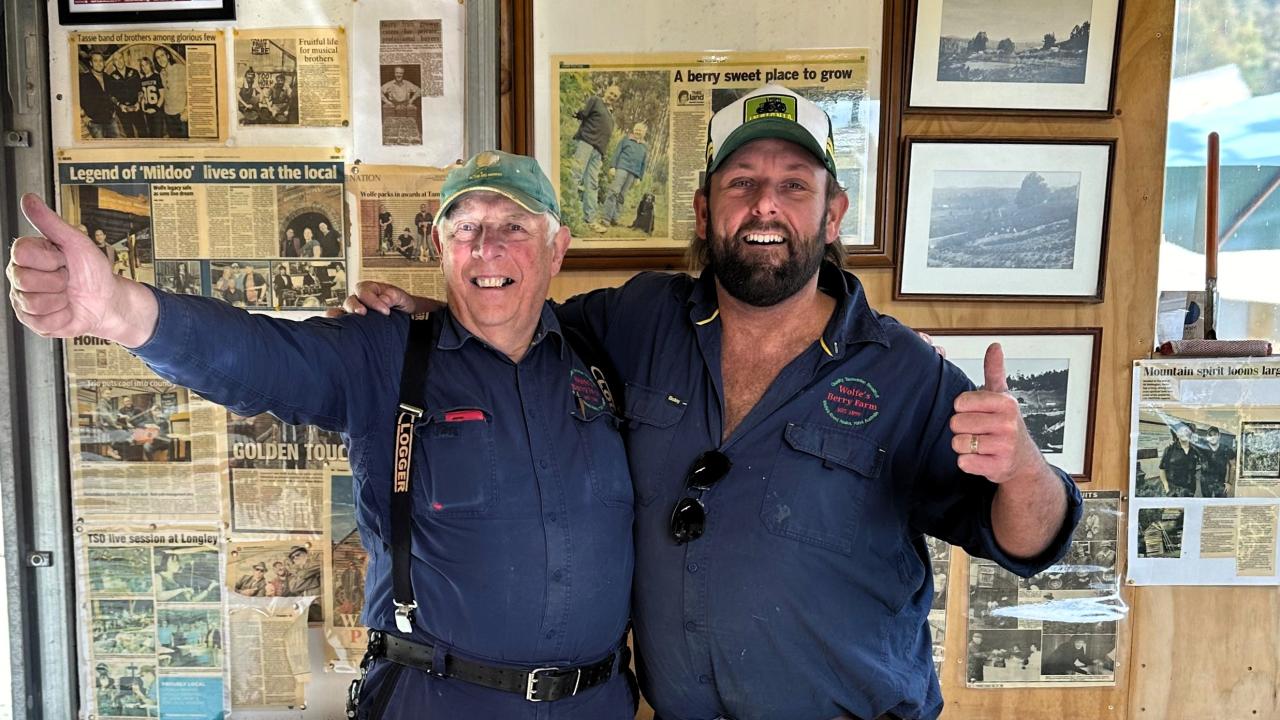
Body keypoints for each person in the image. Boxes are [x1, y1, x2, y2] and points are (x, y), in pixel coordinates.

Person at [345, 84, 1082, 720]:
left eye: (795, 184)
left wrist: (1020, 467)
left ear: (832, 216)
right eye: (740, 182)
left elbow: (1030, 543)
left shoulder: (907, 372)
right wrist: (424, 312)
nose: (765, 204)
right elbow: (515, 331)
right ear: (705, 210)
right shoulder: (638, 319)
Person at [7, 150, 637, 718]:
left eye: (514, 227)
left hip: (600, 703)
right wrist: (122, 310)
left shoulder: (605, 356)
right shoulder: (386, 354)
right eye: (465, 227)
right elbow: (263, 358)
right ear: (442, 248)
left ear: (558, 249)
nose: (487, 247)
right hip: (438, 701)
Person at [568, 84, 621, 232]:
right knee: (575, 176)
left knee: (592, 184)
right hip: (586, 143)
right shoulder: (596, 100)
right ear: (606, 91)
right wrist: (572, 112)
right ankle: (568, 215)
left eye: (615, 96)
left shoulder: (610, 114)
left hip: (598, 151)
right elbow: (582, 114)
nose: (612, 97)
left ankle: (590, 219)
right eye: (611, 93)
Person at [592, 122, 648, 233]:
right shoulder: (626, 140)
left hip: (633, 173)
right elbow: (616, 153)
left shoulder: (644, 146)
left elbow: (644, 163)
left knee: (622, 196)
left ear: (644, 133)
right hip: (622, 168)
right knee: (614, 192)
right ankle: (606, 218)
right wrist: (613, 167)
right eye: (636, 129)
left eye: (640, 130)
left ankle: (614, 218)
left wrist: (639, 177)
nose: (637, 132)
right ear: (633, 129)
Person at [79, 51, 122, 138]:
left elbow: (112, 96)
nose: (99, 64)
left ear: (104, 63)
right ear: (91, 63)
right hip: (94, 122)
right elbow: (75, 98)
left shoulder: (108, 78)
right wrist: (84, 116)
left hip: (110, 120)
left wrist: (114, 110)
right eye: (95, 61)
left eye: (101, 61)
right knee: (100, 148)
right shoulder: (84, 79)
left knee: (116, 147)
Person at [153, 47, 187, 138]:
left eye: (162, 55)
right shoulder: (162, 73)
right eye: (158, 58)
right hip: (168, 115)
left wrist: (186, 110)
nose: (161, 59)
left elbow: (190, 91)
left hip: (181, 114)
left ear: (168, 56)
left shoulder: (180, 69)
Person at [1159, 422, 1199, 497]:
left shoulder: (1195, 451)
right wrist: (1166, 487)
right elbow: (1162, 469)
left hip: (1190, 490)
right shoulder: (1169, 450)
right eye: (1181, 431)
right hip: (1173, 489)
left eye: (1186, 431)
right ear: (1177, 434)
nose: (1184, 434)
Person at [1198, 425, 1233, 497]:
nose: (1212, 437)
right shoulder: (1202, 448)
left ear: (1219, 436)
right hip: (1205, 483)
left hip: (1220, 483)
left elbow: (1233, 465)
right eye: (1210, 435)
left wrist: (1229, 482)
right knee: (1206, 504)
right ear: (1207, 437)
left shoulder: (1225, 449)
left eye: (1215, 435)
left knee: (1220, 505)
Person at [137, 57, 165, 139]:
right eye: (142, 66)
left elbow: (162, 96)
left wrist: (155, 109)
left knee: (158, 136)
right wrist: (143, 108)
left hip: (157, 112)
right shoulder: (141, 80)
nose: (144, 67)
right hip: (147, 113)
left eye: (146, 64)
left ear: (150, 65)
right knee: (151, 136)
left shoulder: (157, 76)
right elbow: (142, 96)